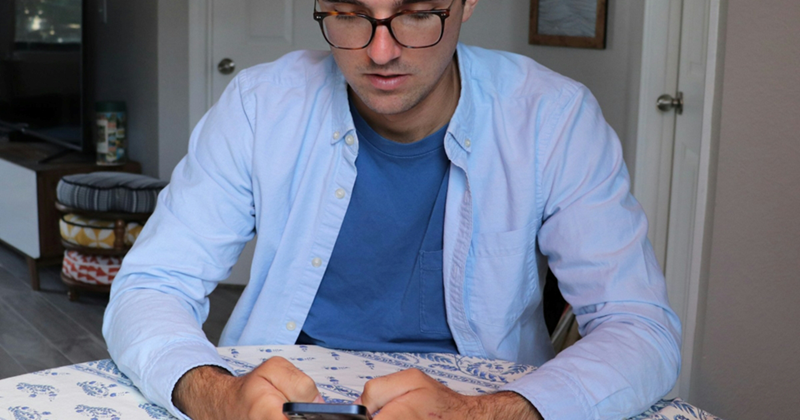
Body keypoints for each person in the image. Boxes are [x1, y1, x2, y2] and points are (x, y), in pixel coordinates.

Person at [103, 0, 682, 419]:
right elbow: (152, 284)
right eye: (351, 14)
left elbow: (639, 326)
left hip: (481, 402)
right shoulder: (260, 106)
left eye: (417, 12)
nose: (381, 52)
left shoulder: (554, 119)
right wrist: (217, 395)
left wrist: (482, 416)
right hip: (289, 395)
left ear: (465, 4)